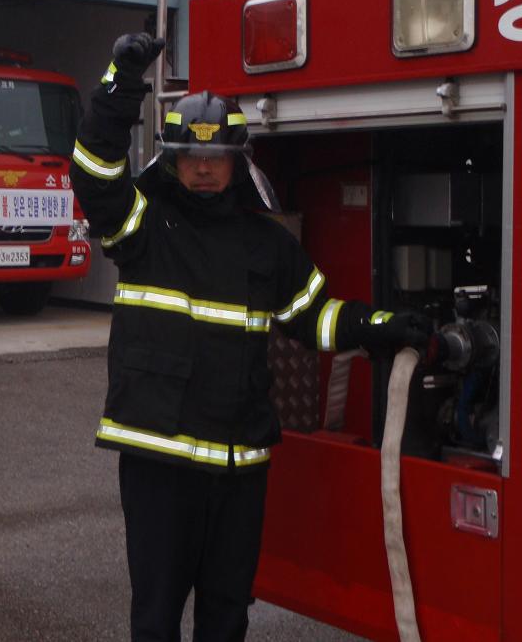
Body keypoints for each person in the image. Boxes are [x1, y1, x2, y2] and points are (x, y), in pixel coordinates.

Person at [69, 33, 432, 642]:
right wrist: (121, 82)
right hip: (161, 464)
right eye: (190, 155)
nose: (203, 168)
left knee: (228, 616)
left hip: (238, 471)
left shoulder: (269, 245)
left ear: (239, 160)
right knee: (156, 619)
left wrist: (378, 326)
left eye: (215, 157)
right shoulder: (142, 224)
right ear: (171, 159)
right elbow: (94, 171)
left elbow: (313, 316)